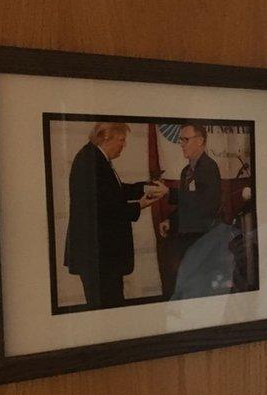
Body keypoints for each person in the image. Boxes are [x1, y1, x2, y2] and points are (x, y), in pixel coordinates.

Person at [64, 122, 164, 308]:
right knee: (106, 307)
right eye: (121, 140)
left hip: (102, 257)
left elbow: (114, 192)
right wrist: (139, 206)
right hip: (99, 258)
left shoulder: (95, 158)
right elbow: (102, 210)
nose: (124, 145)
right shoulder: (90, 162)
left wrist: (144, 187)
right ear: (105, 138)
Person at [156, 123, 223, 299]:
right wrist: (171, 220)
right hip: (186, 240)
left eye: (185, 140)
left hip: (201, 241)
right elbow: (187, 205)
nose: (181, 144)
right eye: (180, 140)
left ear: (200, 141)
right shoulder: (186, 170)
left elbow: (204, 204)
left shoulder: (209, 168)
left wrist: (170, 192)